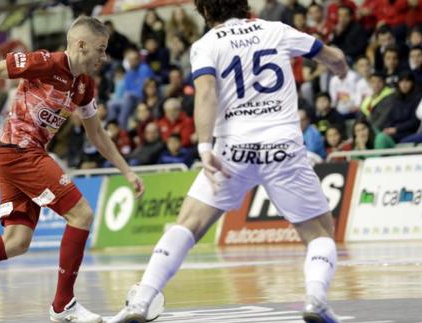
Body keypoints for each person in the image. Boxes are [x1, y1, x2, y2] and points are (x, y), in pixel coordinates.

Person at [110, 1, 349, 322]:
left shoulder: (206, 44)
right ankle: (316, 299)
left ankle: (141, 300)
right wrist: (340, 68)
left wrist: (205, 146)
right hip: (282, 148)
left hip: (232, 151)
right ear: (245, 5)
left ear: (206, 13)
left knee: (188, 225)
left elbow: (206, 93)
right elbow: (332, 56)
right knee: (320, 232)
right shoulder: (275, 30)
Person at [0, 16, 144, 323]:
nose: (104, 57)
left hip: (14, 156)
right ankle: (64, 305)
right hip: (21, 152)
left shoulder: (85, 86)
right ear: (81, 45)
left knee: (16, 242)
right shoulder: (46, 63)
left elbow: (97, 134)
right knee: (82, 215)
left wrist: (127, 171)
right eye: (100, 50)